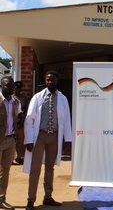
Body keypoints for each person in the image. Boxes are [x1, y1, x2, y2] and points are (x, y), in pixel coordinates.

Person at [23, 70, 72, 210]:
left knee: (50, 168)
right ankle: (31, 199)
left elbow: (67, 120)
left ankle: (48, 197)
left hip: (54, 136)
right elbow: (29, 119)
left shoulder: (62, 99)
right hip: (39, 136)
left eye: (52, 80)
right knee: (35, 168)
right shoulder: (37, 97)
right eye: (47, 80)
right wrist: (28, 139)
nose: (50, 82)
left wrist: (67, 140)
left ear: (57, 81)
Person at [0, 76, 23, 210]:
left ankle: (2, 199)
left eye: (12, 86)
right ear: (1, 86)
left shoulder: (16, 102)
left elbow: (18, 117)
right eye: (7, 86)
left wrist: (21, 118)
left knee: (5, 171)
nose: (11, 88)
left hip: (10, 140)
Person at [14, 81, 28, 165]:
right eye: (16, 88)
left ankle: (19, 157)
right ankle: (11, 158)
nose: (17, 90)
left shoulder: (24, 98)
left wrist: (23, 119)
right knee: (11, 140)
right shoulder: (11, 97)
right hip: (12, 120)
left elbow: (26, 109)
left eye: (19, 88)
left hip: (21, 120)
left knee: (20, 140)